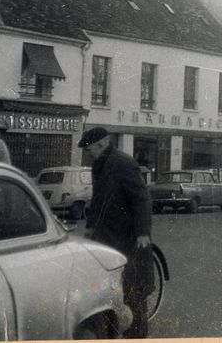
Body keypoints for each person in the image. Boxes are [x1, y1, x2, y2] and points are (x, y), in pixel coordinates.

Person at [79, 127, 153, 339]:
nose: (87, 153)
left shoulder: (123, 163)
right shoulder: (98, 166)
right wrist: (91, 227)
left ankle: (137, 336)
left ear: (102, 144)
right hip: (107, 239)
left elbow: (141, 199)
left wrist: (142, 233)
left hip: (127, 239)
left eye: (89, 149)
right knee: (112, 291)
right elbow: (98, 200)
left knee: (133, 291)